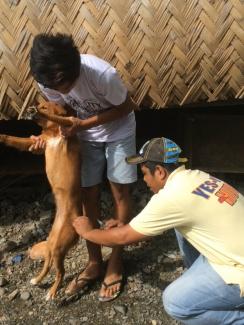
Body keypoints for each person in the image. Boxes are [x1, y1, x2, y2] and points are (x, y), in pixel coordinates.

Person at [73, 137, 244, 324]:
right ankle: (204, 288)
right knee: (182, 227)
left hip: (238, 268)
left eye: (145, 173)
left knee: (175, 303)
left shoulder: (171, 197)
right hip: (234, 252)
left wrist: (88, 232)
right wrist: (127, 229)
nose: (144, 180)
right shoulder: (196, 177)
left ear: (160, 172)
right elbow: (135, 230)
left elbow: (122, 238)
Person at [29, 33, 138, 301]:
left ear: (74, 68)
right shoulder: (48, 81)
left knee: (120, 193)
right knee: (87, 193)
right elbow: (62, 113)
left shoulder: (102, 75)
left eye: (63, 83)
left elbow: (126, 107)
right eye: (51, 85)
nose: (60, 90)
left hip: (118, 132)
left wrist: (83, 124)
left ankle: (115, 260)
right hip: (85, 138)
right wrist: (46, 137)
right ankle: (93, 260)